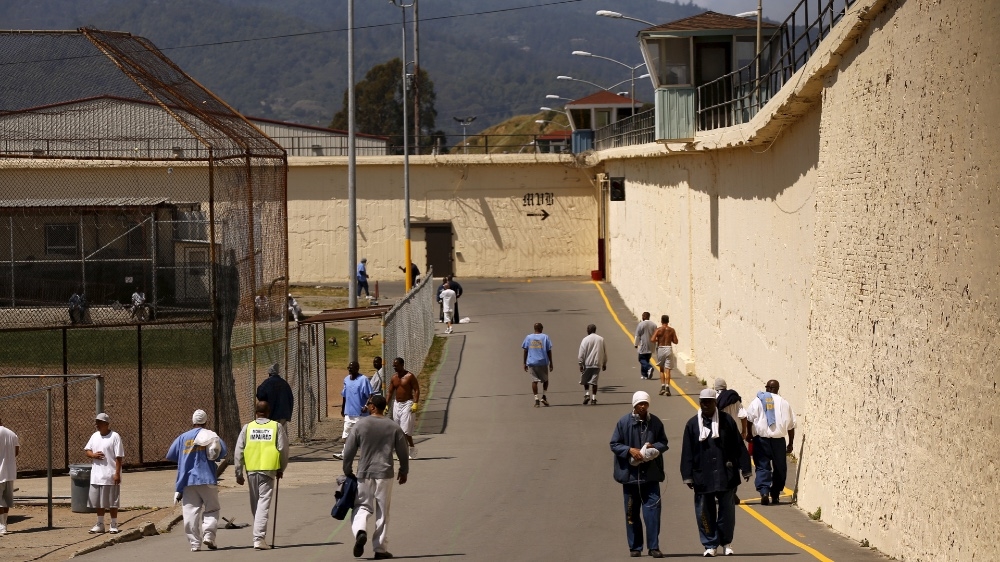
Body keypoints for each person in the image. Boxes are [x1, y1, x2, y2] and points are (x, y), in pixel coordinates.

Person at [680, 389, 752, 557]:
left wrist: (746, 468)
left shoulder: (727, 421)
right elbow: (687, 451)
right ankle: (710, 544)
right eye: (703, 402)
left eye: (709, 402)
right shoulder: (692, 424)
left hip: (725, 473)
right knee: (704, 510)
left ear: (715, 403)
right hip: (702, 475)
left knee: (727, 510)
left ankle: (726, 542)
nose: (705, 405)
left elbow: (738, 446)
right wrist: (687, 475)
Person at [343, 395, 410, 560]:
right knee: (382, 511)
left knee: (361, 507)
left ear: (373, 407)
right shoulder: (393, 427)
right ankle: (380, 548)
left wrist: (347, 469)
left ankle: (360, 531)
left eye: (368, 404)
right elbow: (403, 450)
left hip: (364, 473)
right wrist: (404, 469)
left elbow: (349, 449)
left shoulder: (360, 425)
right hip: (384, 473)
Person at [610, 391, 668, 558]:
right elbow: (614, 444)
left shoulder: (655, 422)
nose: (643, 406)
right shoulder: (623, 422)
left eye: (645, 403)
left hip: (651, 477)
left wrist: (653, 448)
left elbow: (664, 442)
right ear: (634, 405)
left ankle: (653, 546)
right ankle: (635, 547)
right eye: (640, 404)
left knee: (653, 513)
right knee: (631, 513)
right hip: (630, 478)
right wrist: (629, 450)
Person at [165, 409, 227, 552]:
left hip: (187, 481)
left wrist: (185, 456)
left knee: (190, 512)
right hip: (207, 479)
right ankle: (209, 536)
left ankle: (194, 544)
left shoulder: (182, 437)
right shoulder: (211, 435)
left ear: (193, 422)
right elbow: (222, 451)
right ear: (206, 422)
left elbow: (171, 454)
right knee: (212, 508)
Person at [234, 400, 289, 550]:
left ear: (255, 412)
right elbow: (283, 449)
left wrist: (239, 472)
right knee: (262, 505)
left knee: (256, 505)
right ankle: (259, 538)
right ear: (269, 412)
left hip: (251, 470)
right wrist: (281, 468)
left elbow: (239, 450)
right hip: (268, 470)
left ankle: (259, 535)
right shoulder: (276, 427)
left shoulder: (247, 428)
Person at [744, 379, 796, 506]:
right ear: (778, 389)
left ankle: (764, 491)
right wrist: (790, 443)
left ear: (767, 388)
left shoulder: (758, 400)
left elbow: (749, 418)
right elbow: (791, 426)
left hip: (761, 440)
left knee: (762, 466)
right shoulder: (785, 403)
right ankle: (776, 494)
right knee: (780, 468)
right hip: (778, 441)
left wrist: (749, 433)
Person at [84, 412, 125, 534]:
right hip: (97, 475)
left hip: (110, 475)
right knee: (98, 501)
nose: (97, 425)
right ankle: (100, 523)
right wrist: (93, 455)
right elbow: (87, 450)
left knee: (112, 501)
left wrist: (117, 473)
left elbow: (119, 457)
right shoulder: (95, 436)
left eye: (100, 422)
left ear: (106, 424)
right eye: (97, 422)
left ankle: (113, 524)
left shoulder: (115, 436)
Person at [333, 361, 373, 460]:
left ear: (357, 368)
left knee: (363, 436)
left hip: (361, 414)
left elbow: (371, 395)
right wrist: (343, 408)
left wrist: (366, 406)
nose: (350, 369)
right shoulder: (346, 379)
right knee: (346, 435)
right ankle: (344, 453)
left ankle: (367, 455)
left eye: (352, 368)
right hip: (349, 413)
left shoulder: (363, 380)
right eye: (348, 368)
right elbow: (344, 395)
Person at [387, 357, 420, 459]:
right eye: (393, 365)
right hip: (397, 404)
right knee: (398, 429)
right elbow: (390, 392)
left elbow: (416, 389)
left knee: (405, 431)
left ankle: (406, 451)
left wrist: (415, 403)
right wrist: (386, 405)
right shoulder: (394, 378)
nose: (394, 367)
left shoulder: (410, 376)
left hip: (407, 404)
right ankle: (410, 448)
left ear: (402, 365)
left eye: (396, 365)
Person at [521, 322, 553, 408]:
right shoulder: (545, 337)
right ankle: (544, 396)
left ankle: (536, 400)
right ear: (541, 329)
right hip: (543, 362)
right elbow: (549, 351)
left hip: (532, 362)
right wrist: (551, 363)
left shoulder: (529, 337)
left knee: (534, 381)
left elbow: (525, 350)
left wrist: (524, 363)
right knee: (545, 380)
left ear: (534, 329)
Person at [256, 363, 294, 427]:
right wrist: (288, 413)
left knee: (272, 433)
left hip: (272, 414)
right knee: (282, 433)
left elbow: (260, 395)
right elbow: (291, 398)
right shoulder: (284, 383)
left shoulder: (266, 383)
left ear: (269, 373)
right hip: (284, 414)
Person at [577, 324, 607, 405]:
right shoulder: (601, 339)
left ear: (589, 330)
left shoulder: (585, 340)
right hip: (597, 363)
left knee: (586, 380)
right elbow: (604, 352)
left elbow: (581, 353)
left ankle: (587, 394)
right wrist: (604, 363)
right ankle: (594, 398)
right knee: (594, 381)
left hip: (588, 363)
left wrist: (581, 364)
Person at [0, 416, 19, 536]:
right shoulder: (12, 434)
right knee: (6, 500)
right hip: (10, 472)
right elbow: (16, 451)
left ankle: (1, 526)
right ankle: (4, 525)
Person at [651, 315, 678, 396]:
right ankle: (667, 388)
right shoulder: (672, 330)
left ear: (661, 321)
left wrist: (658, 339)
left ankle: (662, 386)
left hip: (661, 348)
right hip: (669, 348)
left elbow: (652, 339)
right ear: (668, 321)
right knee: (668, 369)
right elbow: (676, 341)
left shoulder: (658, 330)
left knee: (661, 369)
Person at [633, 312, 657, 379]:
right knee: (646, 359)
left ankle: (649, 368)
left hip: (643, 345)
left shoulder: (641, 324)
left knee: (641, 359)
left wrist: (636, 344)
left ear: (644, 316)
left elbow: (637, 335)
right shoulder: (654, 325)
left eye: (642, 316)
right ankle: (645, 375)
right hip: (651, 345)